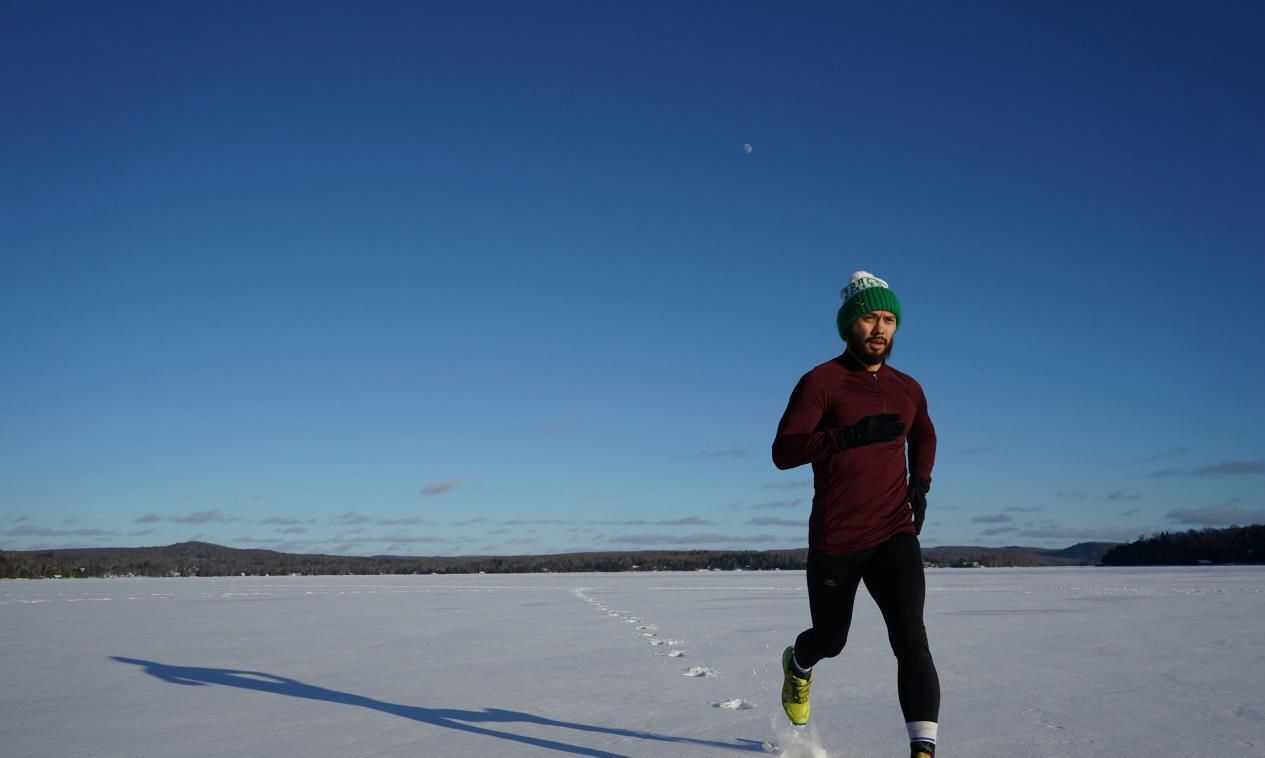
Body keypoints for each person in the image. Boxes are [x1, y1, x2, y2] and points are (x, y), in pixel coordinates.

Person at [771, 271, 940, 758]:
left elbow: (924, 432)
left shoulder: (908, 387)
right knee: (831, 638)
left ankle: (923, 751)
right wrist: (847, 436)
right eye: (870, 318)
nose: (880, 328)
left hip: (894, 531)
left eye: (889, 319)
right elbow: (783, 451)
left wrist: (921, 482)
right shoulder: (821, 382)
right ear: (849, 325)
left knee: (911, 637)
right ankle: (799, 665)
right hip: (837, 538)